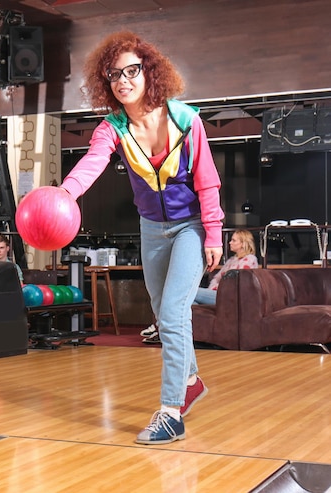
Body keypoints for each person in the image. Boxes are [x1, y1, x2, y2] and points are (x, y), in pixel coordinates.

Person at [59, 31, 224, 445]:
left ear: (149, 73)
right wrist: (64, 194)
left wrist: (214, 233)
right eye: (115, 75)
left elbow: (207, 182)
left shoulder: (187, 120)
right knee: (163, 312)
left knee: (172, 313)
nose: (123, 80)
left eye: (132, 71)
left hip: (190, 226)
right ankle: (190, 381)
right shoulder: (112, 128)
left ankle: (171, 412)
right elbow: (91, 165)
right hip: (151, 228)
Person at [142, 229, 259, 343]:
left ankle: (159, 325)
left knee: (185, 292)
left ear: (243, 243)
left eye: (234, 240)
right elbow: (216, 278)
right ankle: (168, 330)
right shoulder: (231, 260)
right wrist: (213, 288)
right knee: (188, 303)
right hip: (216, 293)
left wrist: (219, 288)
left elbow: (238, 283)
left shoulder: (250, 259)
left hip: (230, 296)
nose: (230, 242)